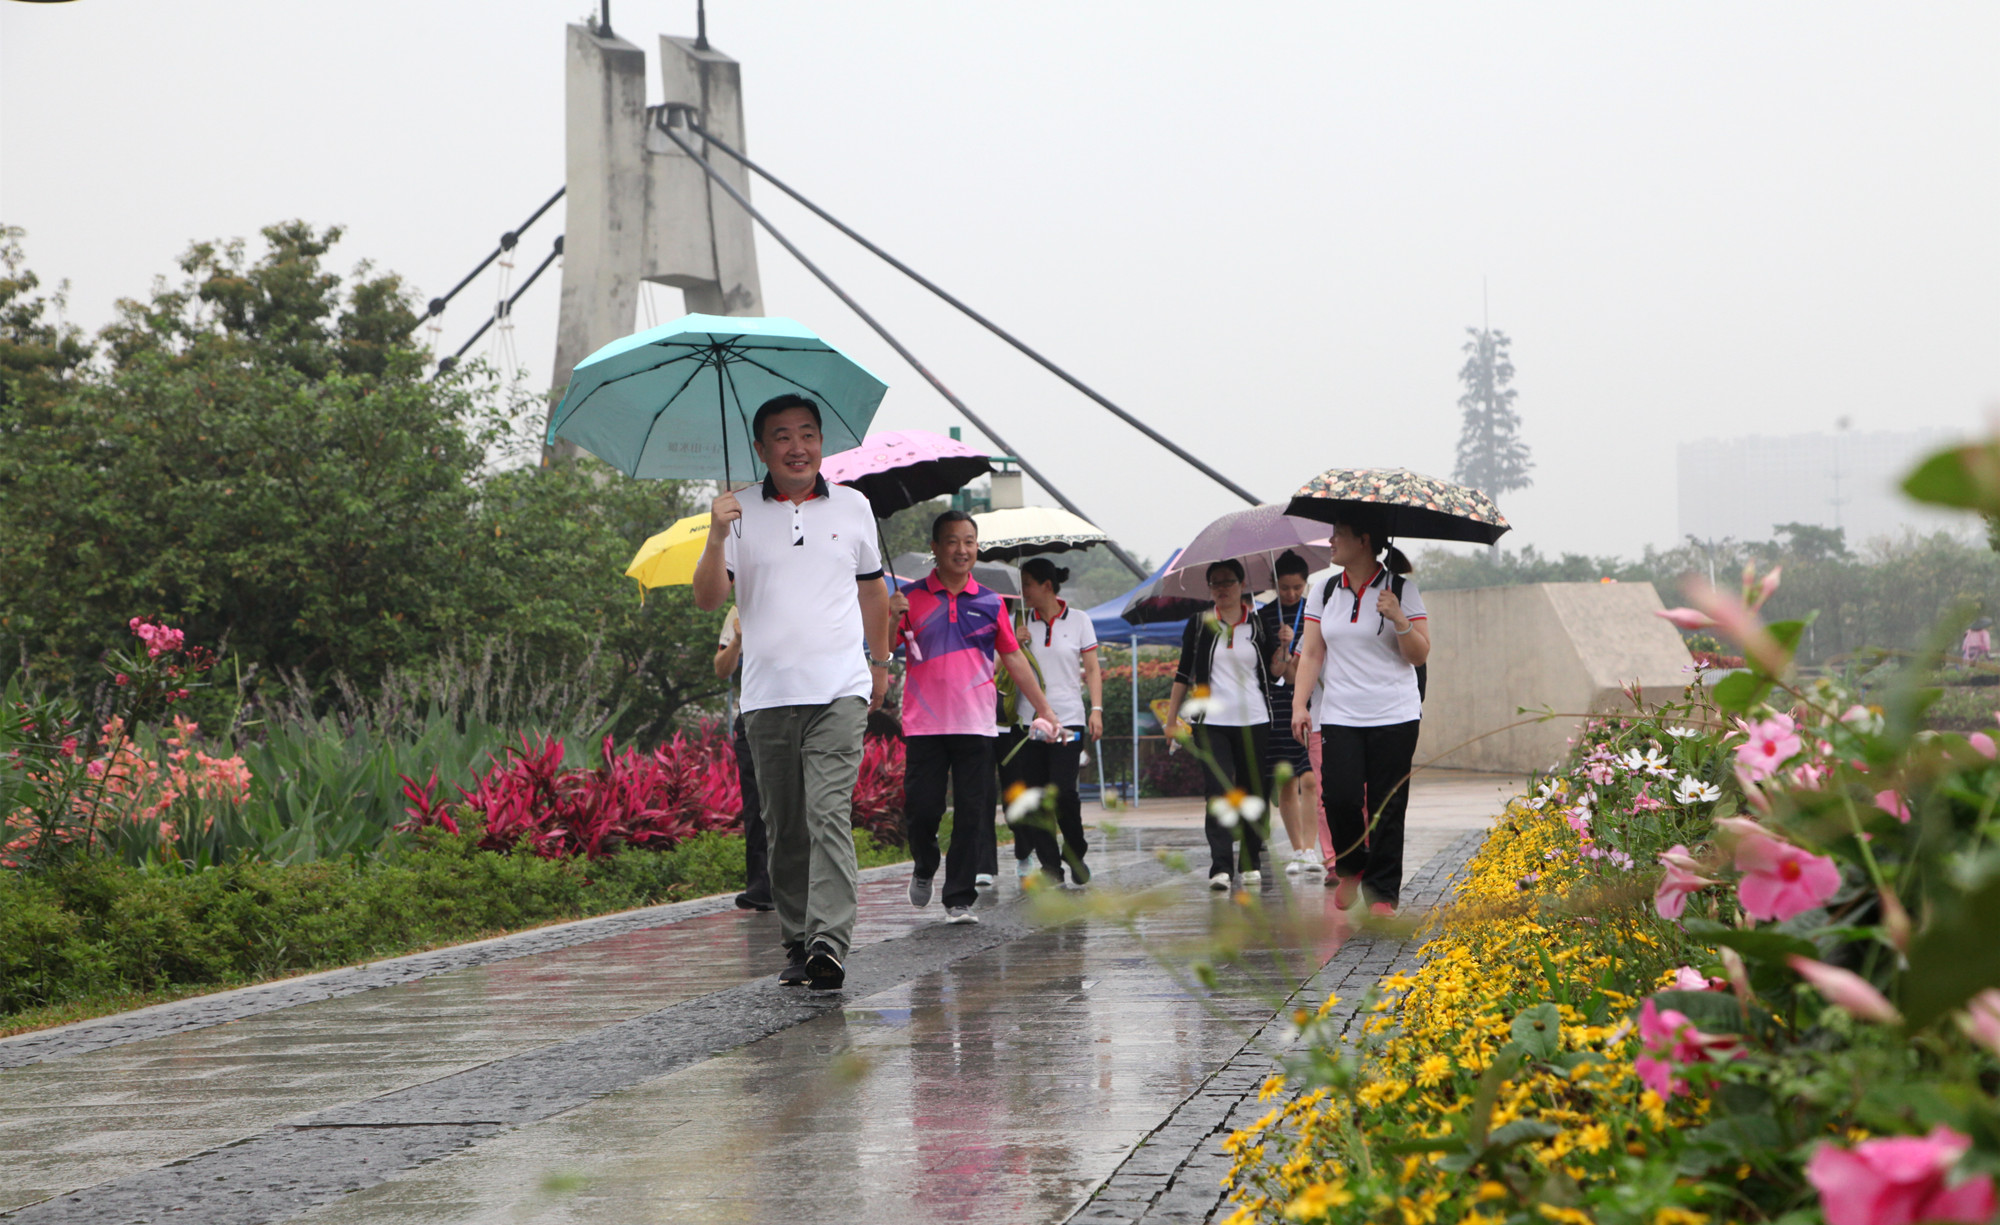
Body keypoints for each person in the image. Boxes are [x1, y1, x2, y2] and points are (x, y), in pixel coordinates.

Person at [693, 393, 894, 993]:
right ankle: (799, 939)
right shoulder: (737, 512)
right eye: (782, 436)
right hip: (767, 696)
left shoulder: (854, 507)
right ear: (762, 449)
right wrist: (715, 535)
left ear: (821, 443)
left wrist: (880, 665)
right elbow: (708, 599)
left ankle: (829, 942)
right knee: (783, 825)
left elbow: (873, 592)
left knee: (827, 812)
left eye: (808, 433)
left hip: (839, 690)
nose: (797, 446)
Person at [890, 511, 1061, 924]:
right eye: (952, 541)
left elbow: (1014, 659)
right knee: (923, 809)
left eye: (969, 541)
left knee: (972, 813)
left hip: (976, 724)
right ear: (935, 548)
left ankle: (959, 898)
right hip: (925, 725)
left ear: (977, 547)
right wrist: (890, 616)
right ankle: (924, 864)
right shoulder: (909, 598)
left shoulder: (990, 602)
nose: (961, 549)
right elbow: (883, 647)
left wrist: (1044, 708)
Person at [1289, 520, 1430, 916]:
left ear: (1364, 540)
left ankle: (1382, 894)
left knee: (1387, 803)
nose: (1331, 540)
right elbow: (1311, 653)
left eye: (1339, 534)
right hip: (1340, 713)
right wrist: (1299, 705)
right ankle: (1352, 866)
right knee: (1340, 797)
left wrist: (1399, 618)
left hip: (1395, 713)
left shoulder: (1401, 590)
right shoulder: (1324, 591)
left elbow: (1419, 654)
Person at [1162, 558, 1278, 891]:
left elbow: (1276, 673)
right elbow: (1182, 673)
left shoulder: (1259, 624)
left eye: (1228, 582)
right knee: (1219, 790)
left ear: (1242, 585)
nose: (1221, 588)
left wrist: (1284, 650)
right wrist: (1171, 720)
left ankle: (1251, 861)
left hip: (1255, 719)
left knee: (1254, 790)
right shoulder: (1200, 624)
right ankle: (1221, 867)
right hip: (1212, 721)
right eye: (1215, 583)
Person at [999, 557, 1104, 886]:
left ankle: (1075, 850)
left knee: (1064, 793)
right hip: (1029, 723)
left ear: (1047, 585)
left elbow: (1093, 668)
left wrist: (1096, 709)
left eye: (1027, 584)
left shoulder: (1080, 620)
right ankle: (1051, 867)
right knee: (1035, 797)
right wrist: (1013, 642)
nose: (1023, 592)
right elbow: (999, 667)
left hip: (1069, 721)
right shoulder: (1017, 621)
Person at [1258, 550, 1323, 875]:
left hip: (1310, 704)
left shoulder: (1314, 612)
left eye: (1298, 587)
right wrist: (1283, 646)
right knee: (1287, 781)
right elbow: (1274, 673)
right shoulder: (1264, 617)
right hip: (1279, 706)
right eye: (1285, 588)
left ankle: (1311, 850)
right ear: (1274, 584)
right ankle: (1298, 850)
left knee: (1310, 779)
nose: (1292, 594)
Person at [714, 605, 772, 911]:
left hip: (800, 711)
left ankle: (802, 881)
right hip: (752, 715)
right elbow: (722, 668)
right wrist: (737, 640)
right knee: (756, 802)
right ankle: (761, 884)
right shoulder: (739, 609)